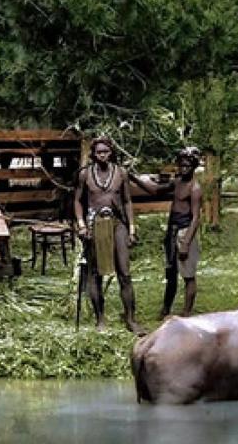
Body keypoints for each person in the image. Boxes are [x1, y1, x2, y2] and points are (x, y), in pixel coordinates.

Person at [74, 136, 145, 334]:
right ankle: (100, 319)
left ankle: (131, 318)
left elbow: (128, 201)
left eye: (106, 152)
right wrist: (81, 224)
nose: (102, 155)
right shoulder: (85, 175)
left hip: (118, 223)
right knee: (95, 274)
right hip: (95, 224)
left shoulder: (120, 173)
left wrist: (131, 227)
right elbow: (78, 201)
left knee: (125, 272)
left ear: (111, 152)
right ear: (93, 154)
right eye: (98, 152)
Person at [134, 147, 203, 318]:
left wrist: (186, 242)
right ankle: (166, 308)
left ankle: (187, 312)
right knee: (171, 272)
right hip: (172, 231)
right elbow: (155, 191)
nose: (184, 168)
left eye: (188, 165)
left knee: (188, 275)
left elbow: (196, 218)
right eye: (182, 165)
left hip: (185, 231)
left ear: (193, 167)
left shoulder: (195, 188)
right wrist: (133, 179)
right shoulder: (177, 182)